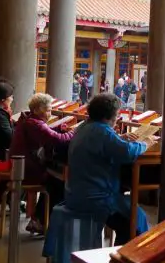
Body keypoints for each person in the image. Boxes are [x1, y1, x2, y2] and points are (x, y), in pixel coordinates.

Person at [66, 93, 155, 242]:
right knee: (136, 220)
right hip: (97, 197)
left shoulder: (84, 126)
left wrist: (119, 139)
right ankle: (125, 260)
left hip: (76, 192)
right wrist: (144, 143)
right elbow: (127, 152)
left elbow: (104, 145)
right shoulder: (102, 131)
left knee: (131, 216)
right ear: (110, 115)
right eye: (117, 114)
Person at [10, 93, 75, 234]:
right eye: (48, 110)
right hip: (27, 168)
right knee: (57, 183)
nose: (50, 113)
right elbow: (58, 140)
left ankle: (39, 220)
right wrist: (74, 132)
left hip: (22, 164)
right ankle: (44, 222)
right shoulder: (35, 124)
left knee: (54, 180)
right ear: (38, 109)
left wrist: (59, 128)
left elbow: (49, 134)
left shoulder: (28, 119)